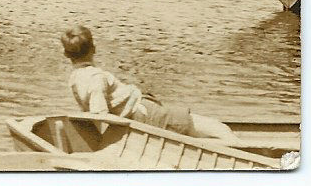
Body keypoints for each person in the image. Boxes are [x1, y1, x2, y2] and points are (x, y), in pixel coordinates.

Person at [60, 25, 240, 144]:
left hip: (142, 110)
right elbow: (100, 114)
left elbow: (96, 113)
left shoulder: (75, 78)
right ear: (94, 49)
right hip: (145, 114)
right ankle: (253, 157)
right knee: (219, 128)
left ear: (67, 55)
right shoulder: (95, 78)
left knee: (210, 132)